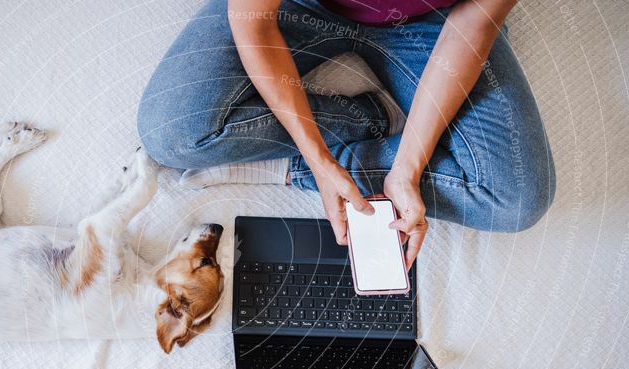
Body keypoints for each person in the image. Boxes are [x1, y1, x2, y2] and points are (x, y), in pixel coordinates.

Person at [137, 0, 555, 269]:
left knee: (516, 199)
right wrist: (318, 157)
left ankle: (285, 167)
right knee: (172, 134)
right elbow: (256, 24)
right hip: (300, 5)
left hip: (436, 21)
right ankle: (364, 120)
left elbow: (473, 27)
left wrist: (407, 169)